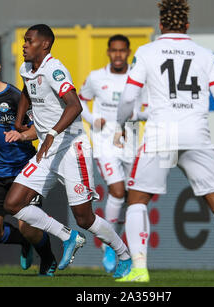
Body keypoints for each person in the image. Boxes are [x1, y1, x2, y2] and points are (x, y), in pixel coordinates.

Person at [114, 0, 214, 283]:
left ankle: (139, 269)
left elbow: (127, 98)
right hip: (197, 135)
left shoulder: (147, 51)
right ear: (187, 26)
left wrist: (121, 124)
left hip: (162, 134)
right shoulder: (205, 54)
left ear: (161, 25)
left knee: (137, 199)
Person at [3, 24, 132, 278]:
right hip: (47, 151)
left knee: (85, 218)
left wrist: (51, 133)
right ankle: (67, 236)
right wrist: (19, 120)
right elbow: (28, 91)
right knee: (13, 203)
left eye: (29, 41)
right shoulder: (26, 68)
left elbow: (75, 106)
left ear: (45, 45)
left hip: (72, 149)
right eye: (24, 41)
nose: (24, 45)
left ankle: (124, 254)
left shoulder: (55, 69)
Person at [0, 46, 57, 276]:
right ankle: (23, 243)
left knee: (29, 226)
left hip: (24, 172)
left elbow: (41, 128)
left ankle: (48, 258)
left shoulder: (15, 96)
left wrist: (22, 135)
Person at [78, 34, 148, 274]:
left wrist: (136, 115)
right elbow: (80, 100)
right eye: (114, 50)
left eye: (122, 51)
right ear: (108, 52)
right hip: (104, 143)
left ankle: (117, 242)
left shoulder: (138, 78)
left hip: (130, 142)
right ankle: (110, 245)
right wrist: (90, 119)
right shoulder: (97, 78)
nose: (118, 55)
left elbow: (148, 108)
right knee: (117, 190)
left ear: (128, 52)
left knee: (132, 198)